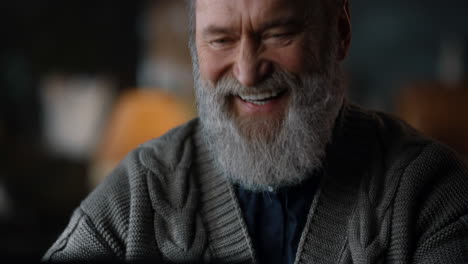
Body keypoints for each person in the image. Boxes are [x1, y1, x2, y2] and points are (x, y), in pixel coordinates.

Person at [43, 0, 468, 263]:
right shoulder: (140, 191)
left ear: (340, 32)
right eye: (221, 40)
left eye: (278, 33)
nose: (247, 73)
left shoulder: (431, 193)